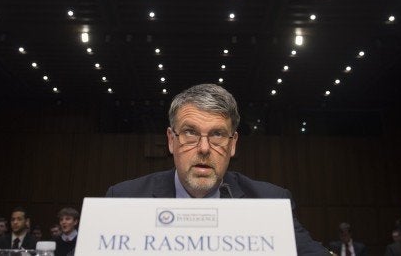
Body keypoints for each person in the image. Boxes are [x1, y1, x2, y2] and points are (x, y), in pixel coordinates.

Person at [105, 83, 328, 255]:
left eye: (218, 134)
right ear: (171, 141)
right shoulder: (124, 199)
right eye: (190, 133)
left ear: (232, 144)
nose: (204, 148)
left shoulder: (270, 202)